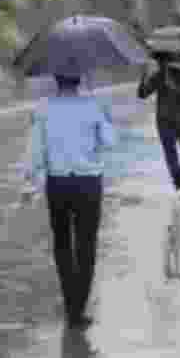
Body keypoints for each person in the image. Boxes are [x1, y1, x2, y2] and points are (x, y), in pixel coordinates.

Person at [28, 74, 116, 328]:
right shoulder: (94, 107)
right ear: (79, 79)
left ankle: (70, 306)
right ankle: (78, 307)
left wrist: (29, 179)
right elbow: (110, 142)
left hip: (58, 184)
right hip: (88, 184)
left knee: (63, 244)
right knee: (86, 244)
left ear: (56, 79)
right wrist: (105, 120)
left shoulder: (43, 109)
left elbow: (36, 151)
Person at [138, 53, 180, 191]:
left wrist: (173, 85)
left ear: (170, 62)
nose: (162, 65)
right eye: (160, 63)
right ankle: (178, 183)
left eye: (164, 63)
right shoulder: (159, 77)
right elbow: (142, 94)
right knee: (171, 153)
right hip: (164, 122)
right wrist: (144, 76)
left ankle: (179, 177)